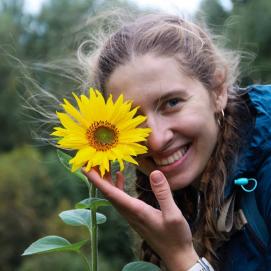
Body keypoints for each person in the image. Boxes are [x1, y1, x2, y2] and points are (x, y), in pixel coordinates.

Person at [79, 13, 271, 270]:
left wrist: (179, 255)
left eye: (172, 103)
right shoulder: (189, 197)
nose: (156, 140)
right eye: (132, 119)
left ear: (218, 90)